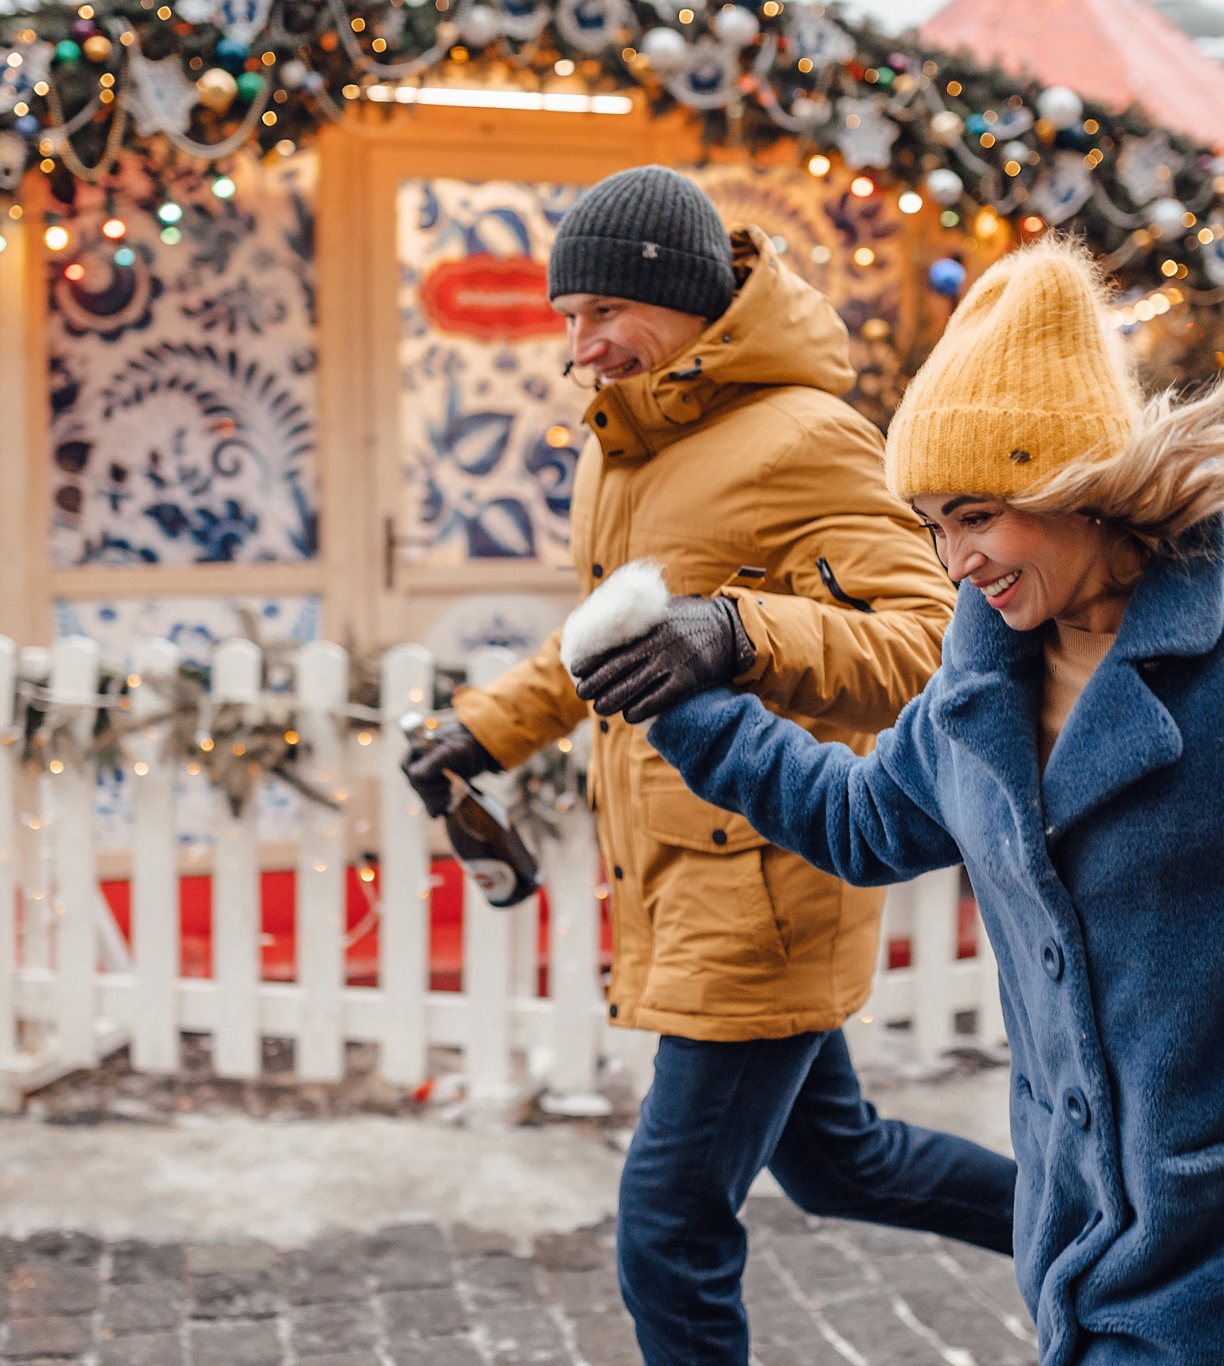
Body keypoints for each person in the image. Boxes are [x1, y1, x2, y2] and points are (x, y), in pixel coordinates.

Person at [587, 237, 1224, 1363]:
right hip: (1073, 1237)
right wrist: (688, 698)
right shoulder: (980, 680)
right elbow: (859, 823)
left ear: (1074, 483)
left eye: (978, 513)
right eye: (933, 522)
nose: (954, 561)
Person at [402, 165, 1016, 1364]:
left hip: (766, 882)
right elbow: (607, 641)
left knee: (666, 1221)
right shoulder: (624, 445)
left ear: (681, 300)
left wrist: (741, 631)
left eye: (600, 315)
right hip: (687, 872)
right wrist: (484, 729)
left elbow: (937, 643)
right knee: (843, 1162)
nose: (579, 349)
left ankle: (1110, 1237)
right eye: (565, 319)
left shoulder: (806, 438)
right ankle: (1107, 1235)